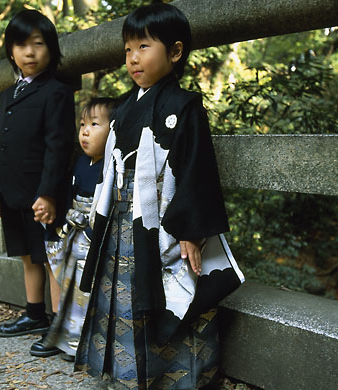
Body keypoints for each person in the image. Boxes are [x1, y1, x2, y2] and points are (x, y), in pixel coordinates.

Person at [75, 3, 245, 389]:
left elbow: (196, 170)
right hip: (122, 218)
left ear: (175, 51)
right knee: (124, 296)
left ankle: (179, 379)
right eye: (128, 50)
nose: (133, 59)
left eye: (143, 47)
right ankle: (125, 375)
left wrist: (190, 231)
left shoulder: (184, 107)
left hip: (165, 221)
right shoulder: (123, 109)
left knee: (171, 291)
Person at [0, 9, 75, 342]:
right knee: (27, 255)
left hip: (41, 194)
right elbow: (0, 146)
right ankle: (34, 314)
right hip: (12, 191)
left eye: (38, 44)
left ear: (50, 49)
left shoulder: (56, 92)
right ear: (11, 51)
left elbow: (58, 147)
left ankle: (59, 324)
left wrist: (49, 193)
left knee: (49, 257)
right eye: (21, 45)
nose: (30, 52)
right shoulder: (7, 96)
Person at [30, 97, 120, 361]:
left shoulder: (113, 165)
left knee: (89, 290)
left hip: (95, 236)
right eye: (82, 124)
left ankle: (82, 342)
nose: (85, 131)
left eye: (94, 124)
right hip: (74, 233)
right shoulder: (80, 162)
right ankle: (66, 338)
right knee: (70, 288)